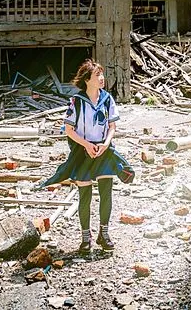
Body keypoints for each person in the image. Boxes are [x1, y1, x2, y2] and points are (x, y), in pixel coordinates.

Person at [39, 59, 134, 253]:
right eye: (97, 75)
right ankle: (85, 238)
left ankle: (104, 234)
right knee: (85, 195)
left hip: (104, 151)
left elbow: (112, 126)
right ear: (87, 80)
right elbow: (69, 129)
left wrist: (106, 144)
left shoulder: (107, 99)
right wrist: (87, 145)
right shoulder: (77, 101)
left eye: (102, 75)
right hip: (83, 153)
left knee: (106, 193)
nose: (102, 78)